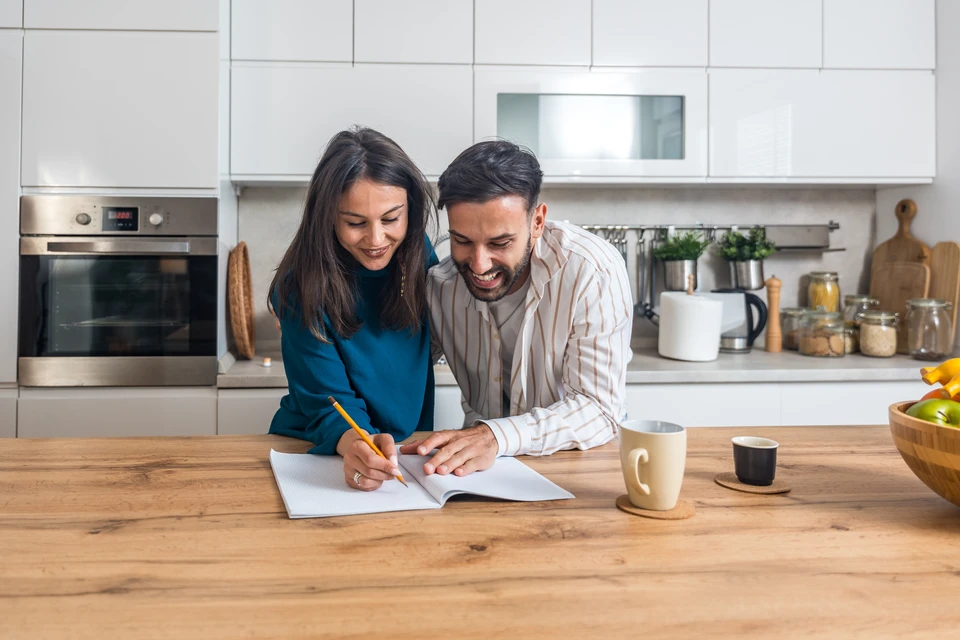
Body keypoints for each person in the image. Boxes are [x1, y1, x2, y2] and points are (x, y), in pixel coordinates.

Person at [401, 140, 634, 476]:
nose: (479, 264)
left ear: (537, 222)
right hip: (480, 470)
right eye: (462, 241)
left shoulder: (591, 270)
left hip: (575, 464)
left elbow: (599, 410)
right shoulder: (441, 285)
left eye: (500, 243)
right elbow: (402, 367)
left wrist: (496, 436)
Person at [268, 127, 438, 492]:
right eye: (355, 223)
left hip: (402, 447)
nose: (376, 240)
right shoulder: (300, 285)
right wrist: (358, 443)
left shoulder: (418, 254)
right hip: (317, 447)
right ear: (327, 217)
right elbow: (328, 401)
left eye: (391, 219)